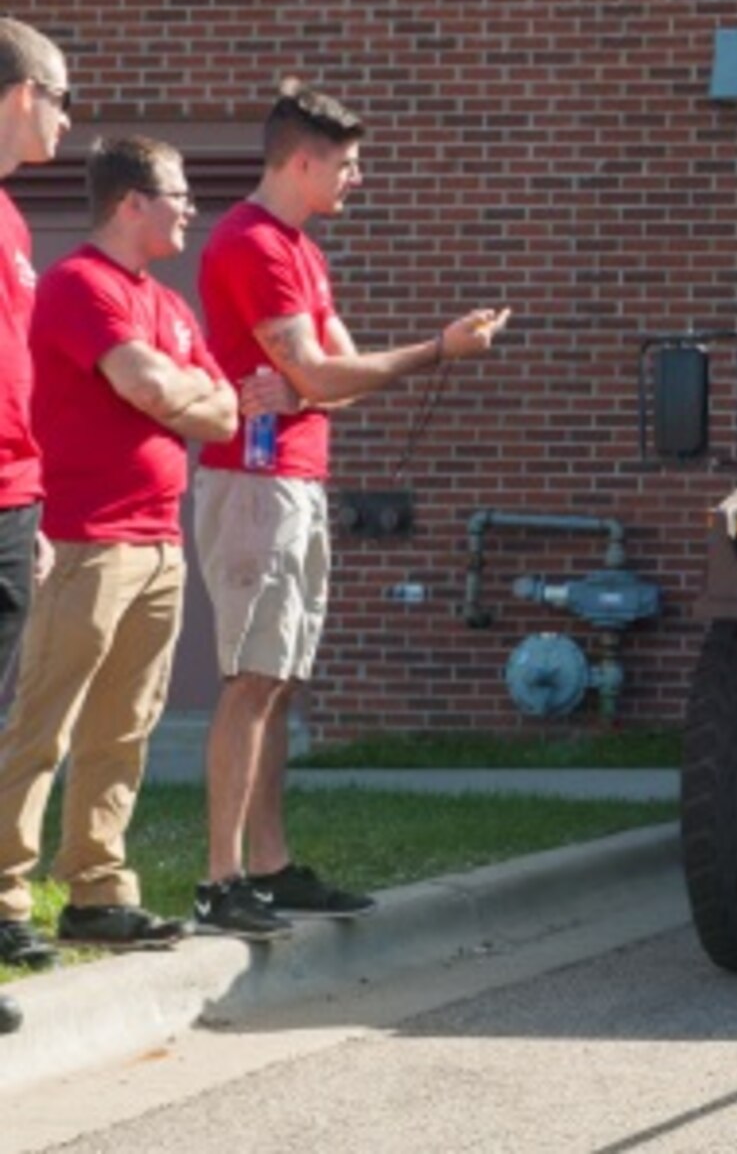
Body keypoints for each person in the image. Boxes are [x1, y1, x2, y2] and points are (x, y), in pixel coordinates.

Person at [192, 82, 509, 940]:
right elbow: (332, 377)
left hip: (293, 476)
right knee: (250, 679)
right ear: (302, 161)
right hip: (253, 482)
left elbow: (336, 380)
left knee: (278, 681)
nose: (357, 179)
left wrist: (304, 395)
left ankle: (269, 866)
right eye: (348, 163)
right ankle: (221, 880)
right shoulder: (253, 243)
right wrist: (438, 349)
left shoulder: (301, 250)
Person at [0, 137, 240, 957]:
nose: (191, 209)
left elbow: (223, 413)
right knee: (42, 724)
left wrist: (178, 391)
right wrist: (178, 391)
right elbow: (154, 387)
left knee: (124, 728)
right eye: (178, 193)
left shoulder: (169, 305)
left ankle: (98, 891)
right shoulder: (76, 286)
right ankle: (4, 897)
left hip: (159, 544)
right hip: (81, 541)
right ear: (131, 202)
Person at [0, 18, 72, 978]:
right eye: (62, 96)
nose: (69, 116)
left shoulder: (12, 219)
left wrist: (34, 506)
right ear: (21, 94)